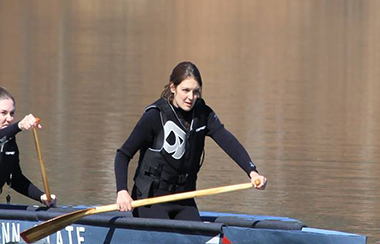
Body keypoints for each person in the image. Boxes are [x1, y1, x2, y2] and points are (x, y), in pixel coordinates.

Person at [114, 62, 268, 221]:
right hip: (150, 199)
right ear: (173, 88)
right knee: (167, 235)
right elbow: (123, 155)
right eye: (185, 90)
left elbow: (227, 141)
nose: (191, 97)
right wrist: (122, 192)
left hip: (184, 198)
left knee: (196, 235)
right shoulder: (154, 116)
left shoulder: (203, 114)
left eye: (196, 92)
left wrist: (252, 172)